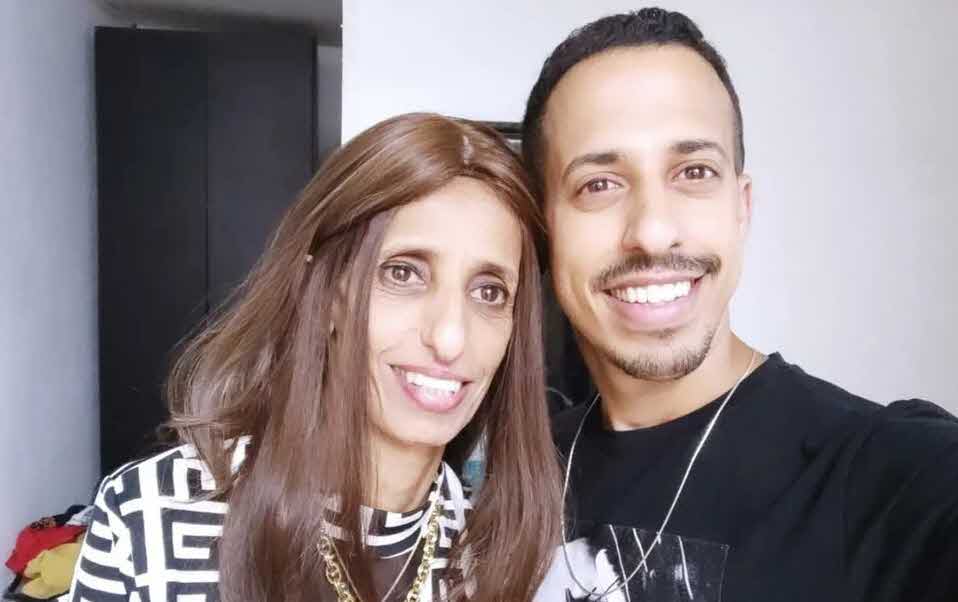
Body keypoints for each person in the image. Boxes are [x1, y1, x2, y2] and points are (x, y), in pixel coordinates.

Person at [523, 8, 958, 602]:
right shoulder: (520, 465)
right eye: (599, 184)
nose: (652, 232)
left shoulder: (891, 472)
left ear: (741, 207)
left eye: (694, 172)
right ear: (544, 228)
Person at [68, 113, 562, 602]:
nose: (450, 338)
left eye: (489, 291)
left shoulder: (499, 554)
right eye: (403, 273)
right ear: (325, 295)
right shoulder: (151, 517)